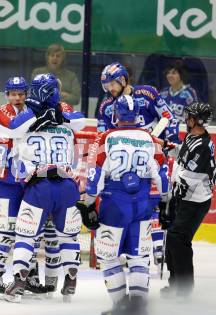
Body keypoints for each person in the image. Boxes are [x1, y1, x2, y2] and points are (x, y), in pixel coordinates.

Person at [79, 95, 168, 315]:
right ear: (137, 113)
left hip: (114, 203)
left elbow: (94, 177)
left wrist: (89, 204)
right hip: (142, 203)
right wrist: (165, 202)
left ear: (116, 114)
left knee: (109, 256)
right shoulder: (150, 138)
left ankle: (120, 306)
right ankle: (138, 306)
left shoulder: (106, 137)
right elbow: (162, 178)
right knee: (138, 256)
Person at [2, 73, 86, 303]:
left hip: (40, 185)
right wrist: (54, 115)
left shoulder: (28, 114)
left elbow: (13, 129)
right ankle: (71, 277)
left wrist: (42, 114)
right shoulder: (63, 117)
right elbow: (80, 121)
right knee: (68, 236)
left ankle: (19, 280)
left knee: (25, 235)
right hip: (67, 186)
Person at [97, 62, 175, 270]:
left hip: (151, 154)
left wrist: (152, 140)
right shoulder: (106, 106)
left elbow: (168, 117)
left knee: (156, 197)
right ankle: (131, 248)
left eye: (112, 84)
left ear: (123, 80)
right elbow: (102, 137)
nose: (109, 90)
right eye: (106, 86)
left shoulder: (147, 94)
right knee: (133, 199)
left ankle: (156, 246)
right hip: (125, 162)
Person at [0, 77, 48, 300]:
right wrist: (39, 108)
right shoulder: (2, 111)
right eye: (13, 94)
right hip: (4, 180)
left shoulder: (31, 108)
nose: (17, 98)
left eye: (21, 93)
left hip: (26, 178)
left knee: (30, 230)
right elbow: (17, 128)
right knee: (6, 232)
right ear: (6, 94)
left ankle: (26, 276)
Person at [159, 102, 215, 298]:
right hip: (184, 197)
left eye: (189, 116)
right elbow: (183, 152)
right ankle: (175, 284)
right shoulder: (193, 137)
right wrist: (166, 146)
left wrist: (168, 187)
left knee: (177, 239)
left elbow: (188, 177)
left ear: (196, 120)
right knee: (171, 240)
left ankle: (184, 289)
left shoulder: (203, 147)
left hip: (195, 202)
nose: (186, 119)